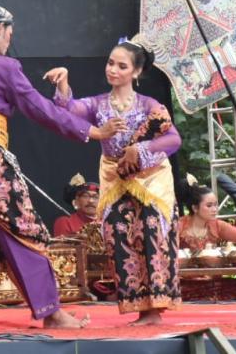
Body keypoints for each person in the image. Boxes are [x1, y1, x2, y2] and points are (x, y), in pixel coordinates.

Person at [0, 5, 114, 329]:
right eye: (9, 34)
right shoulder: (6, 66)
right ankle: (51, 312)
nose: (9, 41)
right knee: (24, 232)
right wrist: (90, 131)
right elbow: (39, 109)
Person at [46, 35, 181, 326]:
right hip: (115, 179)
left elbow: (173, 139)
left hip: (151, 180)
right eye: (110, 63)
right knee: (119, 237)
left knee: (150, 234)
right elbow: (68, 109)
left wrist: (139, 150)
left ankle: (154, 310)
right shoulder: (98, 104)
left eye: (121, 66)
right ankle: (139, 306)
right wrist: (63, 84)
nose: (113, 70)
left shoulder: (149, 105)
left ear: (136, 72)